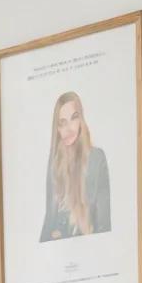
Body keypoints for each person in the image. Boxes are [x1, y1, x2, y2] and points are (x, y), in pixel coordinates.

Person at [40, 91, 111, 241]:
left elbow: (104, 225)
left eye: (74, 118)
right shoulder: (55, 163)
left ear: (81, 120)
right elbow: (50, 218)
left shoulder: (97, 159)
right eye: (62, 123)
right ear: (57, 128)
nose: (69, 128)